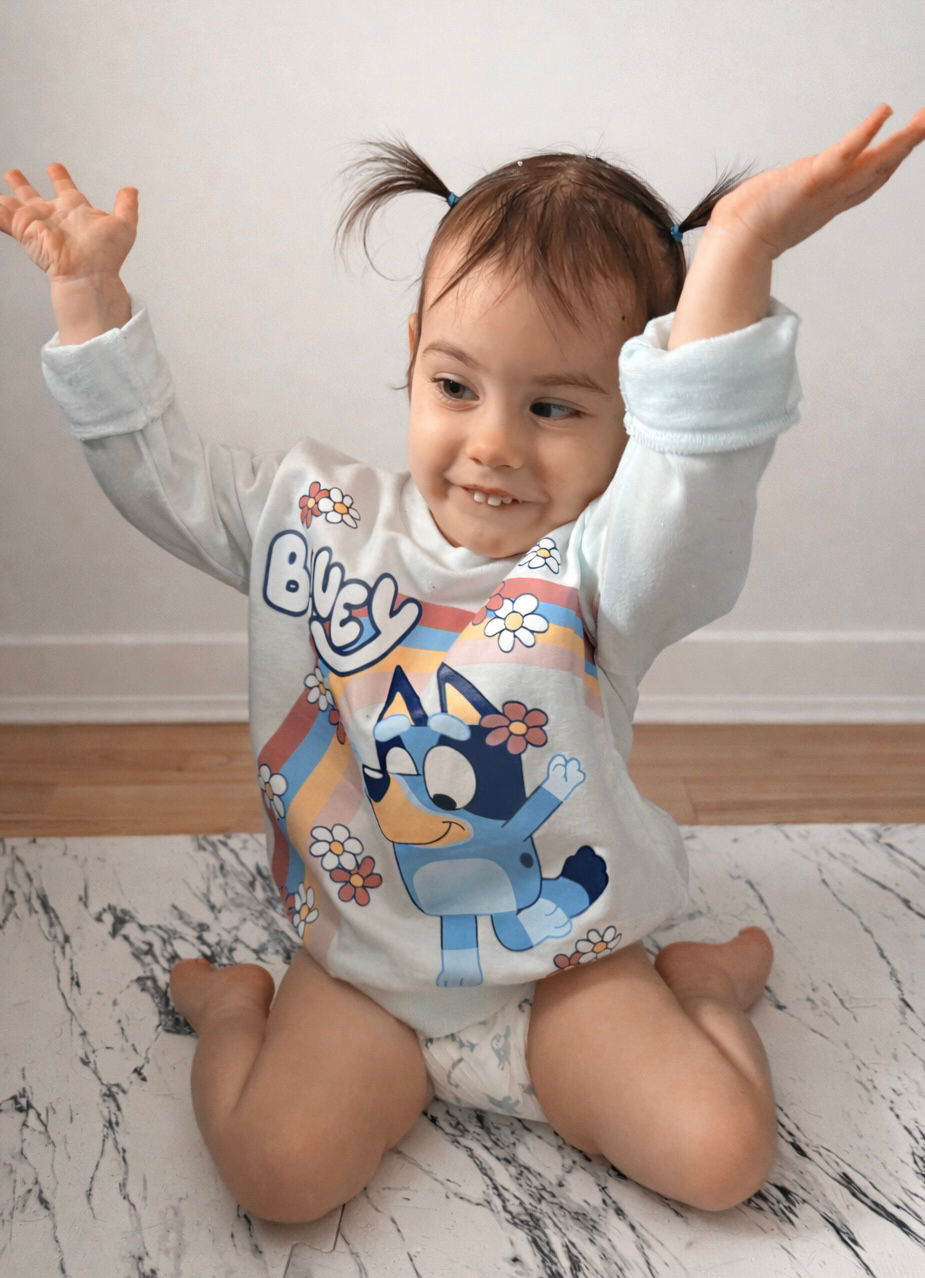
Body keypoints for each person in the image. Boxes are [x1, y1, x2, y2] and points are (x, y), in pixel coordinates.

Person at [3, 104, 923, 1223]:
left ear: (636, 409)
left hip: (568, 965)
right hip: (369, 965)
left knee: (724, 1156)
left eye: (552, 406)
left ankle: (700, 991)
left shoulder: (609, 571)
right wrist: (88, 301)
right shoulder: (317, 521)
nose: (493, 442)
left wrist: (736, 253)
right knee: (277, 1175)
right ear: (411, 357)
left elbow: (700, 477)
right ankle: (240, 1009)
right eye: (454, 387)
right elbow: (163, 478)